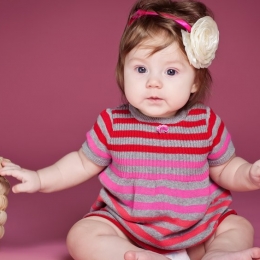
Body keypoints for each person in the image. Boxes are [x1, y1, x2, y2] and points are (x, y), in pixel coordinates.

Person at [1, 0, 260, 259]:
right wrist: (39, 178)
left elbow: (225, 169)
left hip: (199, 226)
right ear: (122, 71)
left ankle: (219, 255)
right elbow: (80, 163)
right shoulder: (113, 123)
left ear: (195, 81)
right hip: (128, 228)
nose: (153, 82)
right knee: (82, 235)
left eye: (170, 71)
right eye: (140, 69)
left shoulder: (205, 123)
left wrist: (249, 175)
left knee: (236, 227)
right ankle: (140, 256)